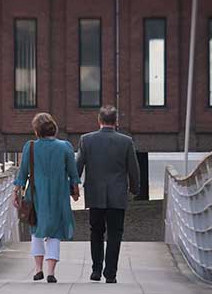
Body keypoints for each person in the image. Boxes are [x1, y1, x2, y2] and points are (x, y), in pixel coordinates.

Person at [13, 113, 80, 283]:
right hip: (59, 194)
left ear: (36, 131)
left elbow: (23, 173)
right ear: (54, 128)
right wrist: (75, 191)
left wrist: (16, 192)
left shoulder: (31, 147)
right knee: (55, 231)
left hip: (36, 194)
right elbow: (73, 173)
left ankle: (37, 269)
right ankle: (51, 272)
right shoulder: (65, 146)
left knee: (36, 228)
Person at [76, 105, 140, 283]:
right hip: (117, 196)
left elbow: (78, 166)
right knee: (115, 234)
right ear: (116, 122)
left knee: (96, 231)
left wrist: (73, 187)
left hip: (95, 194)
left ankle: (96, 270)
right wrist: (135, 189)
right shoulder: (126, 142)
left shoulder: (86, 140)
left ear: (99, 120)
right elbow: (133, 170)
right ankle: (110, 273)